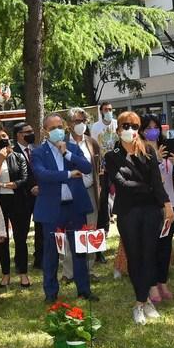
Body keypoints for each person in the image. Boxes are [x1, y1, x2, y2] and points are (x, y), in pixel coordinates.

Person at [106, 111, 174, 323]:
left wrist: (167, 204)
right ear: (118, 130)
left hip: (151, 210)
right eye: (126, 126)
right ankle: (140, 302)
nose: (130, 131)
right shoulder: (112, 156)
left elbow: (157, 182)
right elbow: (122, 185)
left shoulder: (149, 152)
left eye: (134, 126)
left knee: (149, 255)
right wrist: (150, 188)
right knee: (135, 258)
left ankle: (144, 302)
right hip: (128, 212)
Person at [32, 113, 97, 303]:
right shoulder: (38, 152)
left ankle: (84, 290)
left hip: (75, 207)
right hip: (52, 209)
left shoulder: (72, 148)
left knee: (79, 249)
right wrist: (68, 174)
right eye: (52, 128)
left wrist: (67, 154)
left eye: (60, 126)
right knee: (51, 252)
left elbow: (86, 168)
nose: (57, 131)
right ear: (45, 131)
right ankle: (51, 293)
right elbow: (43, 175)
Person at [138, 114, 174, 303]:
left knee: (165, 246)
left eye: (155, 127)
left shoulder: (167, 148)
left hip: (170, 204)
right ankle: (151, 284)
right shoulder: (140, 151)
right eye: (148, 127)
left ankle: (162, 281)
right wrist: (154, 159)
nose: (153, 131)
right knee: (151, 247)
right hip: (151, 206)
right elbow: (141, 177)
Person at [0, 124, 30, 289]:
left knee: (20, 239)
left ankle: (23, 273)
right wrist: (0, 159)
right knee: (2, 240)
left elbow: (25, 178)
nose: (3, 140)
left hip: (19, 203)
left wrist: (9, 184)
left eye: (5, 136)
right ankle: (5, 274)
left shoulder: (18, 157)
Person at [63, 108, 102, 281]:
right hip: (70, 193)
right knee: (69, 231)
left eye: (83, 121)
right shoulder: (62, 143)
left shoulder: (91, 142)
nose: (81, 124)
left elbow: (98, 167)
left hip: (90, 192)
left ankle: (88, 269)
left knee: (90, 229)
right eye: (77, 121)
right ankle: (69, 272)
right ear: (69, 124)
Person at [14, 121, 42, 276]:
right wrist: (30, 187)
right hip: (23, 197)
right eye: (28, 131)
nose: (32, 133)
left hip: (39, 196)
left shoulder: (36, 148)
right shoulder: (12, 151)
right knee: (21, 232)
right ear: (19, 135)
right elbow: (15, 174)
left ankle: (39, 260)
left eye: (32, 130)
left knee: (40, 229)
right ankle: (20, 261)